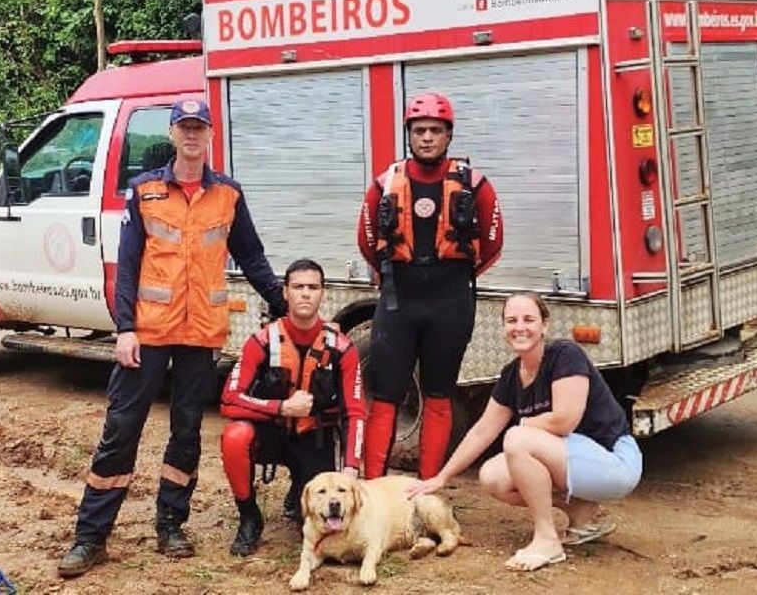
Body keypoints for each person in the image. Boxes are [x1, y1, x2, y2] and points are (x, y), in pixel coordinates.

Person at [58, 99, 287, 577]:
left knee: (186, 432)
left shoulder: (228, 195)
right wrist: (124, 328)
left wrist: (285, 306)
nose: (191, 135)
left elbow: (251, 256)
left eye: (199, 127)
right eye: (184, 127)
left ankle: (171, 526)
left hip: (200, 335)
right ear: (172, 133)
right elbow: (127, 268)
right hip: (148, 332)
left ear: (210, 135)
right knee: (121, 430)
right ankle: (90, 538)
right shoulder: (145, 191)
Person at [407, 292, 643, 572]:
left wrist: (525, 425)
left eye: (529, 319)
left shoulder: (566, 355)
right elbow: (482, 432)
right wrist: (442, 477)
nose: (520, 327)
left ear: (544, 326)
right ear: (504, 328)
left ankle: (547, 540)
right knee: (493, 476)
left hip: (615, 462)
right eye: (512, 320)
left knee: (517, 439)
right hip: (577, 462)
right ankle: (579, 510)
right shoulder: (511, 375)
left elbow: (564, 421)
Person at [358, 92, 503, 480]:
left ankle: (428, 489)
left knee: (439, 395)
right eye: (419, 130)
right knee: (385, 395)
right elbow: (367, 241)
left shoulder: (475, 185)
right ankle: (374, 489)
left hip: (450, 303)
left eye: (435, 130)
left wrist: (451, 276)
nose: (426, 137)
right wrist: (399, 273)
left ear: (448, 135)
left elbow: (492, 244)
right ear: (409, 134)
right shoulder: (384, 184)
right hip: (398, 303)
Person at [219, 258, 366, 556]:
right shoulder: (262, 341)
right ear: (285, 292)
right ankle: (249, 517)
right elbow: (228, 399)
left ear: (323, 293)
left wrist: (351, 468)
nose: (306, 294)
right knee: (234, 436)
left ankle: (296, 493)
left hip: (313, 437)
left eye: (313, 287)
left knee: (318, 528)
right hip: (269, 433)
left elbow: (356, 413)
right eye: (298, 287)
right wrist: (282, 407)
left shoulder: (341, 348)